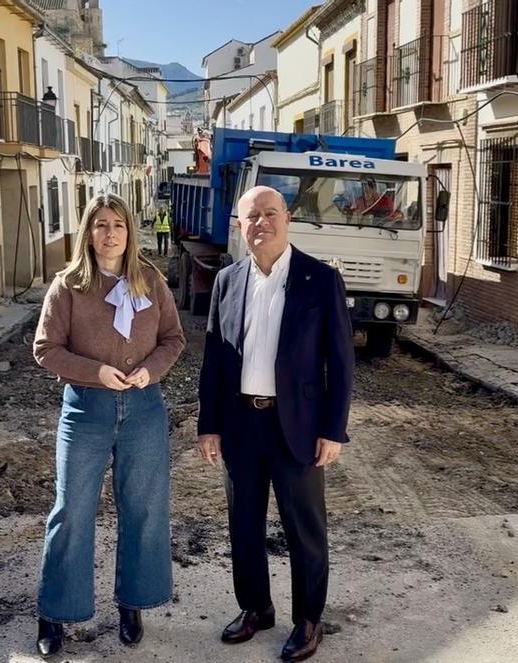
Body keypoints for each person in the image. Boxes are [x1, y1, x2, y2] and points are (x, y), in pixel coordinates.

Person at [196, 185, 354, 662]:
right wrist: (208, 424)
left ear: (287, 218)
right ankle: (256, 608)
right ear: (239, 225)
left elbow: (342, 363)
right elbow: (214, 361)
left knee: (304, 527)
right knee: (243, 525)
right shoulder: (228, 280)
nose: (260, 223)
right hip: (242, 423)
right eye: (251, 217)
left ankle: (308, 619)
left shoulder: (319, 279)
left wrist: (334, 429)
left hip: (299, 427)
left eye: (270, 214)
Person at [32, 193, 186, 657]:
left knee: (143, 509)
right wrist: (93, 372)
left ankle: (132, 605)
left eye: (118, 224)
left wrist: (150, 370)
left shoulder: (151, 281)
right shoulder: (67, 287)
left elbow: (173, 339)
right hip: (86, 411)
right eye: (100, 224)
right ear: (88, 232)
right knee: (71, 511)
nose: (110, 233)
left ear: (129, 231)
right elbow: (45, 348)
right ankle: (55, 613)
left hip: (143, 411)